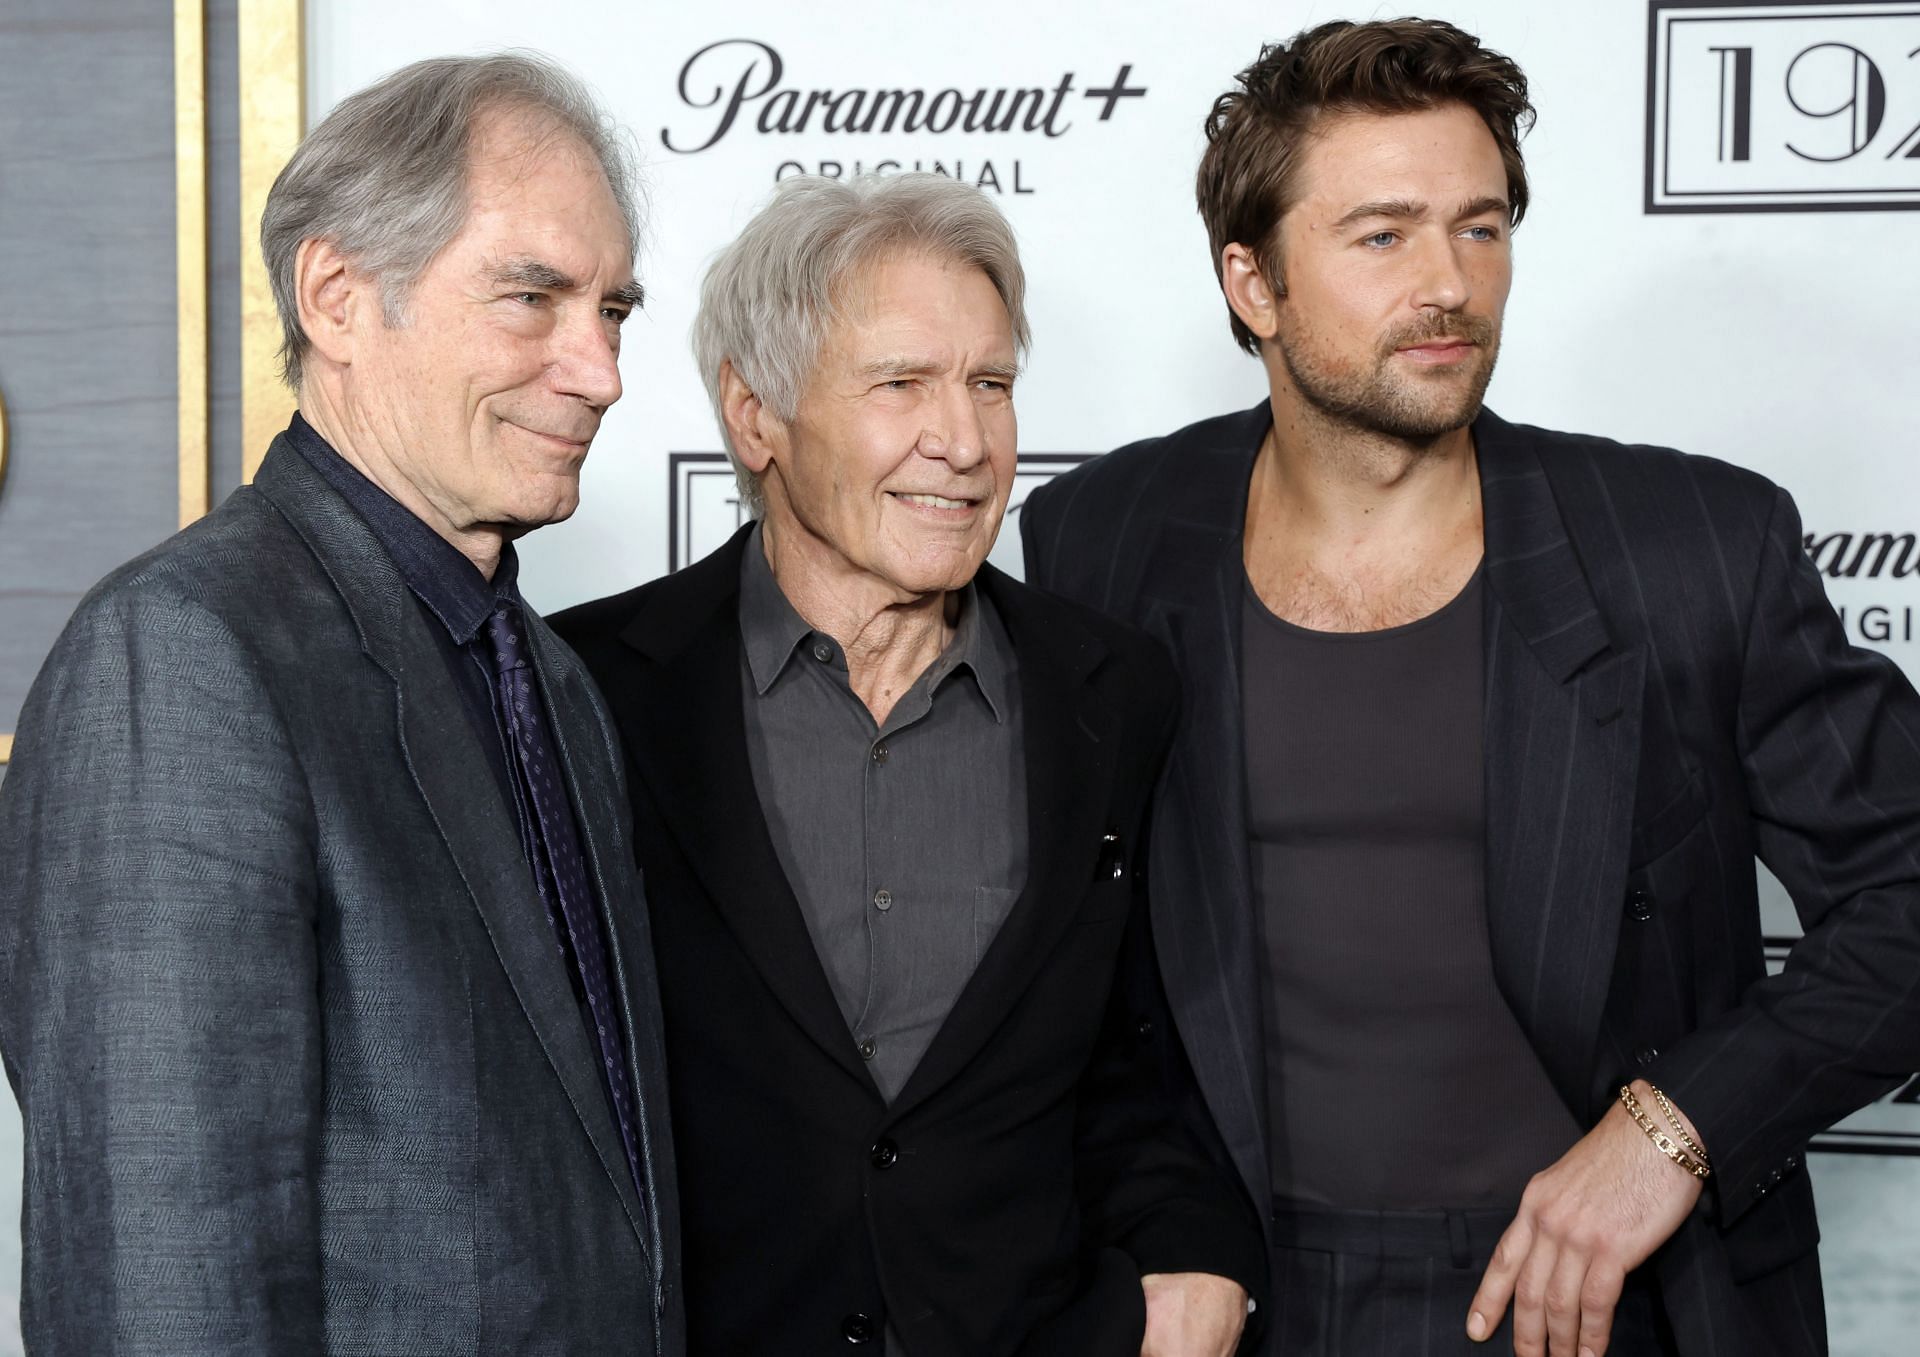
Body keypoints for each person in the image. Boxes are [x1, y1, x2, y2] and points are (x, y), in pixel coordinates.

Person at [1022, 17, 1920, 1357]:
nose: (1449, 282)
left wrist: (1675, 1127)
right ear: (1252, 283)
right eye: (1383, 235)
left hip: (1605, 1298)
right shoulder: (1102, 535)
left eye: (1481, 227)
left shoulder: (1688, 548)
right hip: (1238, 1293)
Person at [0, 53, 680, 1354]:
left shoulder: (557, 682)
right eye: (533, 298)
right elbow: (161, 1284)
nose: (599, 371)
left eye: (614, 309)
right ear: (338, 297)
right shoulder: (183, 660)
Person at [552, 172, 1263, 1357]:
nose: (967, 440)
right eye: (901, 385)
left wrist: (1201, 1265)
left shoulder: (1114, 692)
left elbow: (1153, 1056)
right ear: (755, 415)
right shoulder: (592, 690)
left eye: (991, 383)